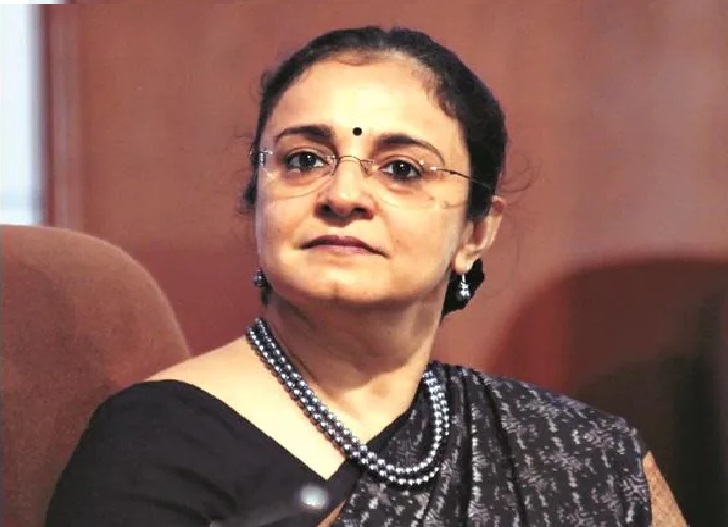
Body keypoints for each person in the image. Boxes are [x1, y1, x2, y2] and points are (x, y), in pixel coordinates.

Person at [46, 26, 686, 526]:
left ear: (475, 232)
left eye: (402, 169)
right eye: (304, 160)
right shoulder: (153, 445)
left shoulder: (576, 453)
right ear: (258, 200)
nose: (343, 194)